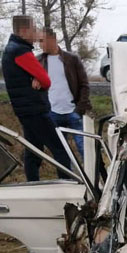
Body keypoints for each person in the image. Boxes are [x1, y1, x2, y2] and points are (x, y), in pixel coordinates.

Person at [1, 15, 71, 181]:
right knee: (60, 149)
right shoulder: (21, 51)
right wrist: (39, 78)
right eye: (34, 29)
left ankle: (32, 184)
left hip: (25, 110)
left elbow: (35, 77)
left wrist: (36, 77)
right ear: (23, 31)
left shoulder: (11, 49)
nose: (37, 33)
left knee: (34, 151)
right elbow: (46, 80)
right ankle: (67, 183)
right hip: (35, 110)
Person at [37, 28, 92, 157]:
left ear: (53, 39)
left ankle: (94, 171)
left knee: (85, 149)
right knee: (61, 152)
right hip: (52, 113)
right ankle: (68, 171)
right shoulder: (38, 61)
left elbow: (84, 85)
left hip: (73, 111)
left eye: (42, 41)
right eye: (39, 41)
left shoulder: (72, 59)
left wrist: (80, 108)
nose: (40, 45)